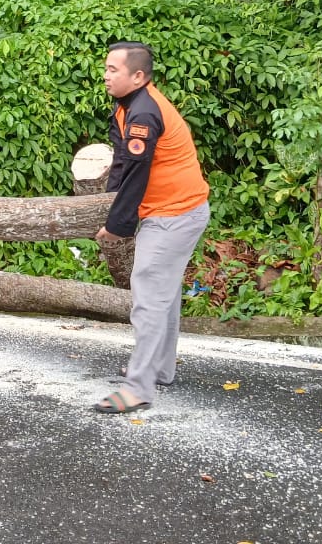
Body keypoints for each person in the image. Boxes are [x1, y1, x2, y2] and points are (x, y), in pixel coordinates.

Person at [93, 41, 210, 414]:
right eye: (106, 68)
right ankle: (159, 368)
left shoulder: (144, 112)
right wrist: (105, 207)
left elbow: (137, 173)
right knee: (164, 295)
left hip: (175, 215)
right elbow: (122, 162)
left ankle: (138, 388)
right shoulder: (127, 106)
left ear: (138, 76)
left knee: (148, 297)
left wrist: (117, 226)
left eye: (113, 70)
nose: (106, 75)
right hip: (174, 211)